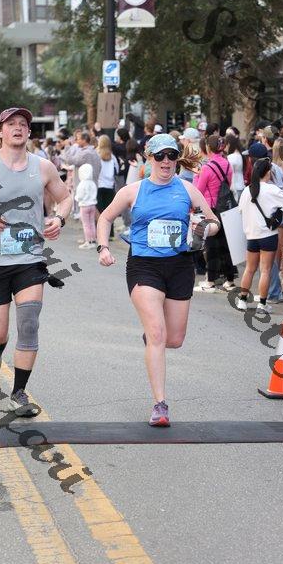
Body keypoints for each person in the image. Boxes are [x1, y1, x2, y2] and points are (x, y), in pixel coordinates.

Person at [0, 107, 72, 416]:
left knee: (29, 323)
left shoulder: (43, 167)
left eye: (23, 124)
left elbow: (66, 197)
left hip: (30, 257)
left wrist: (58, 218)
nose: (17, 128)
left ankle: (19, 393)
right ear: (0, 131)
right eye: (11, 124)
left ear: (29, 132)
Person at [96, 133, 219, 426]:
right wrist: (103, 247)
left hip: (180, 266)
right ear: (149, 158)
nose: (166, 161)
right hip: (144, 266)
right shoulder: (133, 191)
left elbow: (214, 221)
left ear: (177, 158)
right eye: (160, 156)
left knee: (173, 339)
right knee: (158, 333)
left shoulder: (187, 189)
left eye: (171, 156)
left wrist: (203, 228)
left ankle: (154, 339)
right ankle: (160, 404)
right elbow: (105, 218)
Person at [237, 158, 283, 313]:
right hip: (268, 235)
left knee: (249, 269)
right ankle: (262, 304)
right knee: (266, 270)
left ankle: (242, 300)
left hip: (251, 236)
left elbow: (240, 210)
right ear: (268, 172)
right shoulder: (272, 190)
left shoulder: (247, 191)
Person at [193, 134, 235, 293]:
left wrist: (197, 175)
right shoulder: (227, 164)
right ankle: (229, 280)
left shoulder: (207, 168)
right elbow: (228, 184)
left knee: (211, 246)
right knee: (225, 245)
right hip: (225, 208)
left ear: (208, 148)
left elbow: (198, 191)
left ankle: (210, 281)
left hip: (211, 209)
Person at [97, 134, 119, 239]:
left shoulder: (97, 155)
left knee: (100, 211)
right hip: (110, 186)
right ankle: (111, 234)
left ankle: (100, 234)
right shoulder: (112, 156)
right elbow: (117, 170)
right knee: (110, 211)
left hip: (99, 185)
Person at [75, 163, 97, 249]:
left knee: (86, 224)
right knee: (92, 223)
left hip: (84, 206)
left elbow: (79, 196)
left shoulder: (82, 184)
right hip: (93, 205)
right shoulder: (92, 183)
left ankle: (88, 241)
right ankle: (93, 240)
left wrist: (76, 198)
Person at [223, 133, 245, 202]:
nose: (224, 148)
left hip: (234, 188)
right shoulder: (240, 155)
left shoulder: (230, 157)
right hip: (242, 185)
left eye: (225, 145)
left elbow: (231, 175)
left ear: (228, 144)